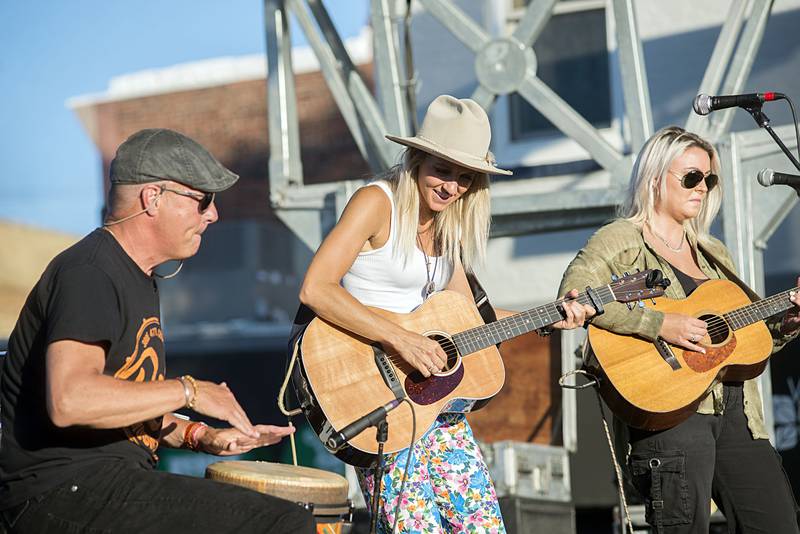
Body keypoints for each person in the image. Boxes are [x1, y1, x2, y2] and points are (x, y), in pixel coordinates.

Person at [298, 95, 596, 532]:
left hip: (435, 408)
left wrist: (549, 317)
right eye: (443, 169)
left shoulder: (448, 228)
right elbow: (315, 288)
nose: (451, 186)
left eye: (464, 177)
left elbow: (472, 319)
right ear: (417, 158)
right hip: (374, 397)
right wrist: (400, 339)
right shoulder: (375, 202)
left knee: (484, 527)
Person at [0, 129, 315, 533]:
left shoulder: (136, 276)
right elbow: (71, 399)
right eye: (203, 200)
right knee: (282, 524)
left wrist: (201, 435)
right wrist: (191, 390)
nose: (213, 214)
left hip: (101, 485)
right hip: (62, 491)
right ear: (153, 198)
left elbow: (121, 404)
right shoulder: (90, 273)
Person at [559, 125, 800, 533]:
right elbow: (574, 297)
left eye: (709, 179)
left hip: (737, 413)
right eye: (691, 177)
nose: (702, 187)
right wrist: (660, 323)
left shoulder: (714, 254)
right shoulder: (620, 239)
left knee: (778, 524)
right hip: (671, 412)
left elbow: (747, 337)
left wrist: (789, 322)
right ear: (655, 179)